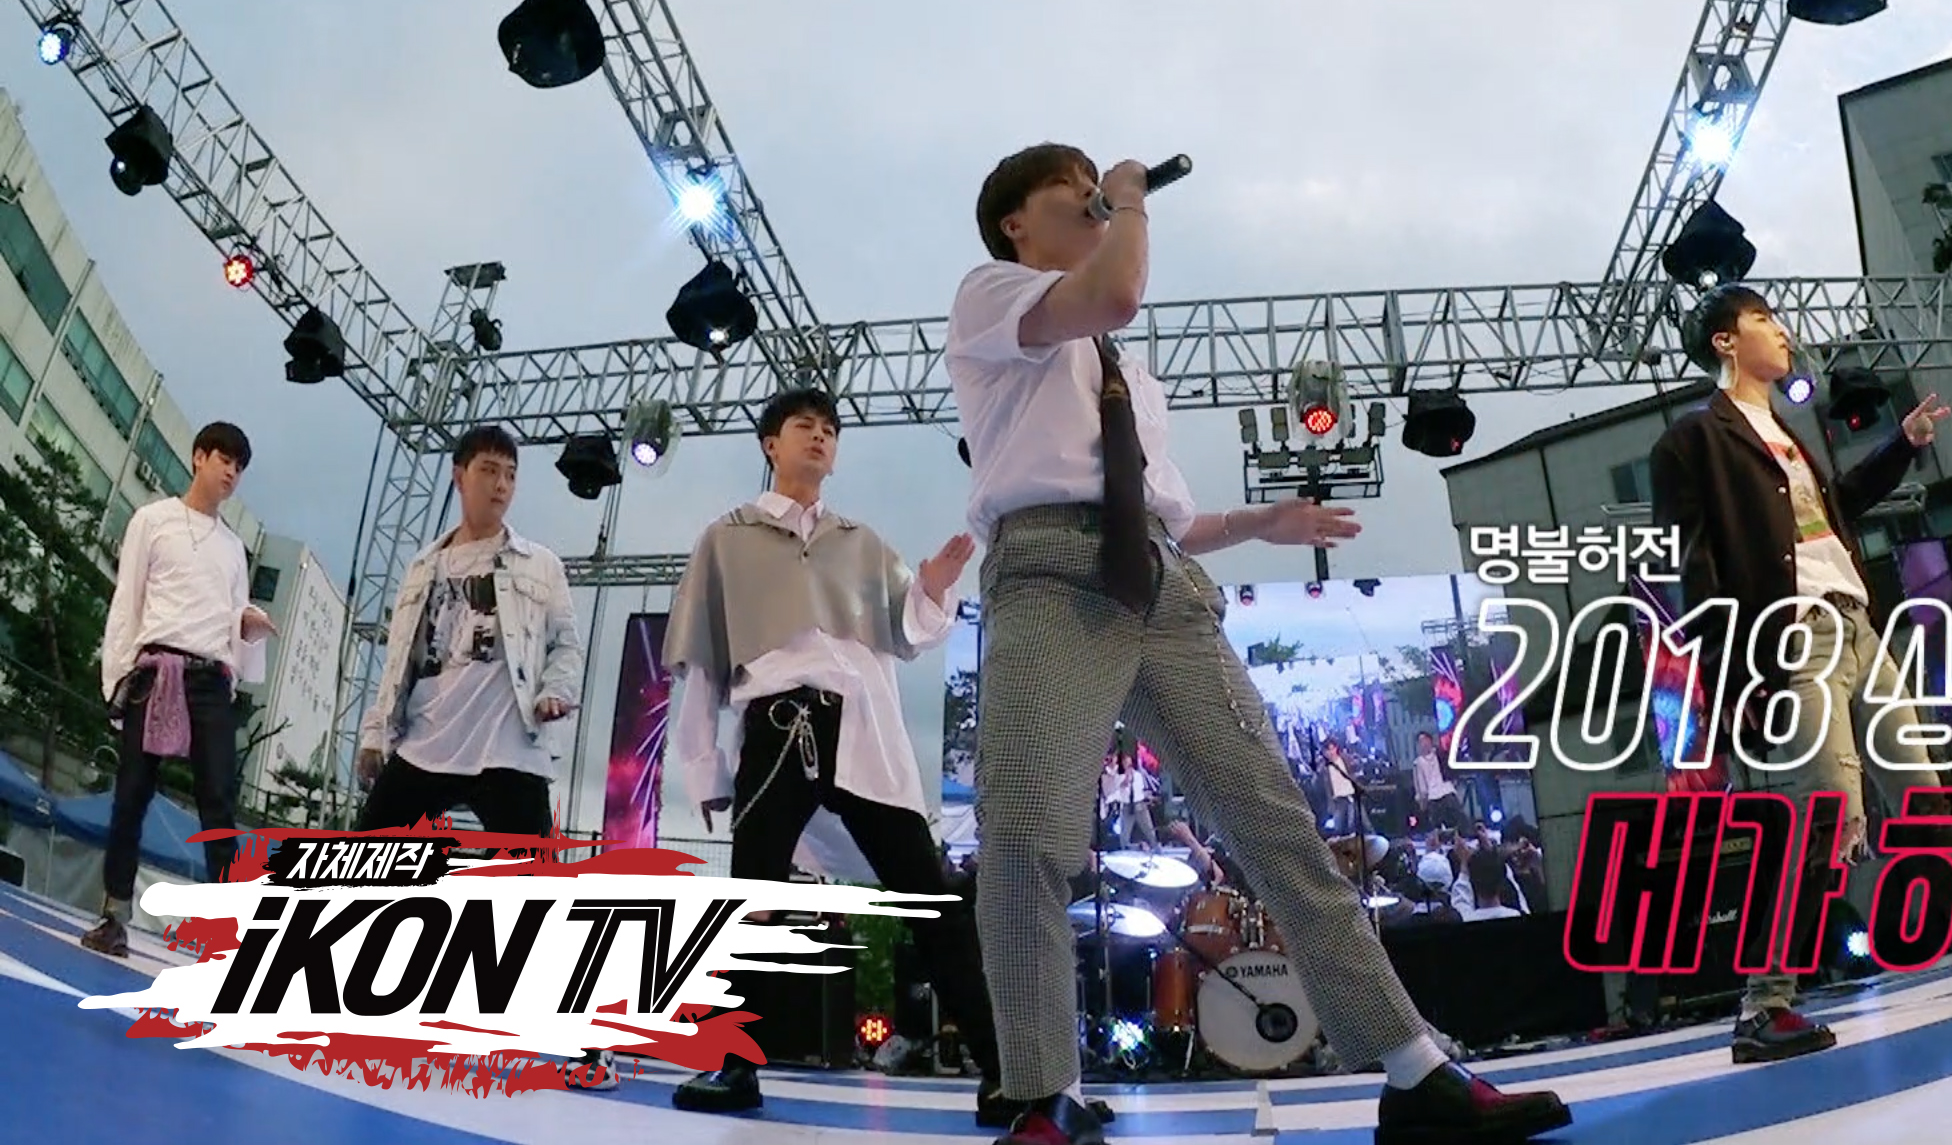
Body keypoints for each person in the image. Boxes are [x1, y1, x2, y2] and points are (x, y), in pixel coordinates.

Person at [949, 144, 1570, 1145]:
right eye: (1076, 193)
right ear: (1016, 222)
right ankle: (1045, 1093)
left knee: (1278, 827)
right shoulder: (993, 295)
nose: (1097, 203)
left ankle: (1414, 1068)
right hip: (1050, 573)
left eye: (1102, 191)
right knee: (1025, 835)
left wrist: (1260, 523)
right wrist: (1132, 198)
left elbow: (1161, 513)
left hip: (1163, 584)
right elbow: (1115, 295)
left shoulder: (1128, 374)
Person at [1648, 285, 1952, 1064]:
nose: (1782, 330)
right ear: (1725, 341)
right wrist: (1733, 673)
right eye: (1763, 318)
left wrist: (1902, 444)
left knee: (1923, 791)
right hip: (1794, 633)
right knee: (1824, 811)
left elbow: (1836, 510)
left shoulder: (1789, 434)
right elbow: (1695, 567)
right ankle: (1764, 1002)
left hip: (1860, 623)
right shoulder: (1692, 441)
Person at [661, 388, 1012, 1126]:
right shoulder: (726, 537)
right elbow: (701, 658)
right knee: (753, 898)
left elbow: (911, 630)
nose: (819, 436)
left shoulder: (862, 542)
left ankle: (1004, 1074)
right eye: (804, 426)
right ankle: (735, 1066)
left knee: (933, 900)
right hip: (778, 723)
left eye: (829, 429)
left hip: (864, 730)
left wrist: (933, 588)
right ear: (770, 443)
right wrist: (703, 768)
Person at [81, 423, 269, 957]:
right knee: (132, 792)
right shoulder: (153, 520)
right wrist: (117, 681)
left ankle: (232, 934)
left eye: (239, 466)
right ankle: (113, 915)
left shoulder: (233, 549)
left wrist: (248, 626)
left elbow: (234, 613)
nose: (231, 472)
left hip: (210, 675)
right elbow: (128, 601)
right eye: (224, 459)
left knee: (219, 801)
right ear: (199, 457)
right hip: (154, 668)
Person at [356, 426, 581, 836]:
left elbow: (566, 645)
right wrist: (375, 734)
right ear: (459, 477)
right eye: (489, 470)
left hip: (508, 748)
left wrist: (554, 691)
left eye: (510, 475)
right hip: (427, 741)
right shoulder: (423, 566)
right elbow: (399, 660)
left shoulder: (541, 565)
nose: (501, 485)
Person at [1410, 729, 1466, 832]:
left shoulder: (1440, 754)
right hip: (1432, 795)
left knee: (1457, 816)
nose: (1424, 744)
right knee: (1435, 821)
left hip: (1446, 789)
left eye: (1425, 740)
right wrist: (1422, 799)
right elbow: (1420, 784)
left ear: (1431, 741)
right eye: (1421, 742)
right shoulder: (1418, 763)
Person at [1319, 738, 1364, 837]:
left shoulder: (1345, 758)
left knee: (1354, 822)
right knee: (1338, 826)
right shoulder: (1325, 767)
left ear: (1336, 748)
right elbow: (1325, 786)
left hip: (1351, 794)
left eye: (1332, 749)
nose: (1331, 752)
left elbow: (1356, 767)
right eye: (1328, 750)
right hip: (1338, 798)